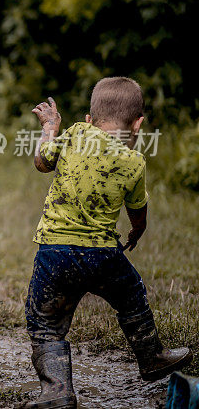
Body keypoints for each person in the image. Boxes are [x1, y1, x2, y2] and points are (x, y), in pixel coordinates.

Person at [21, 77, 192, 409]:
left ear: (89, 119)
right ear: (138, 124)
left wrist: (50, 128)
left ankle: (57, 390)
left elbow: (43, 162)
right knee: (131, 295)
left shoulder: (74, 134)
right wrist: (137, 232)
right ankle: (151, 356)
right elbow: (137, 211)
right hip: (104, 255)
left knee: (46, 323)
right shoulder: (134, 162)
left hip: (56, 252)